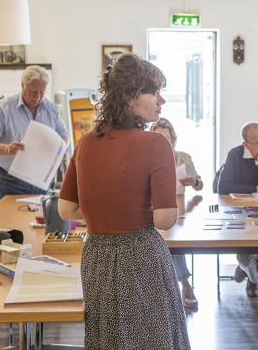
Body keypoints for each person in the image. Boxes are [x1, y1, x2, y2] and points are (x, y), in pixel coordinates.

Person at [57, 54, 190, 350]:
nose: (161, 100)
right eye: (154, 91)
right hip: (140, 255)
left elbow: (66, 209)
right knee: (151, 338)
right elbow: (164, 220)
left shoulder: (86, 141)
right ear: (131, 96)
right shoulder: (156, 144)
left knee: (108, 339)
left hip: (96, 256)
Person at [217, 121, 258, 297]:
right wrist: (257, 189)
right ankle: (252, 280)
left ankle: (245, 269)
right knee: (245, 254)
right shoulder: (235, 155)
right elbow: (223, 186)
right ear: (245, 144)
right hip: (241, 212)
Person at [0, 65, 69, 202]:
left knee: (39, 221)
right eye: (34, 91)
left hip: (41, 179)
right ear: (23, 85)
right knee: (7, 222)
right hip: (10, 181)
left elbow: (65, 135)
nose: (38, 96)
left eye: (42, 91)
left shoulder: (52, 109)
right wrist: (7, 149)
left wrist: (60, 148)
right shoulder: (2, 108)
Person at [150, 117, 202, 309]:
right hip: (153, 208)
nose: (164, 143)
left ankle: (182, 285)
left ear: (173, 140)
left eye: (168, 139)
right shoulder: (144, 158)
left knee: (174, 239)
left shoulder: (182, 158)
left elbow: (200, 185)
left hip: (178, 207)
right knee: (164, 240)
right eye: (159, 138)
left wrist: (194, 182)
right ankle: (183, 284)